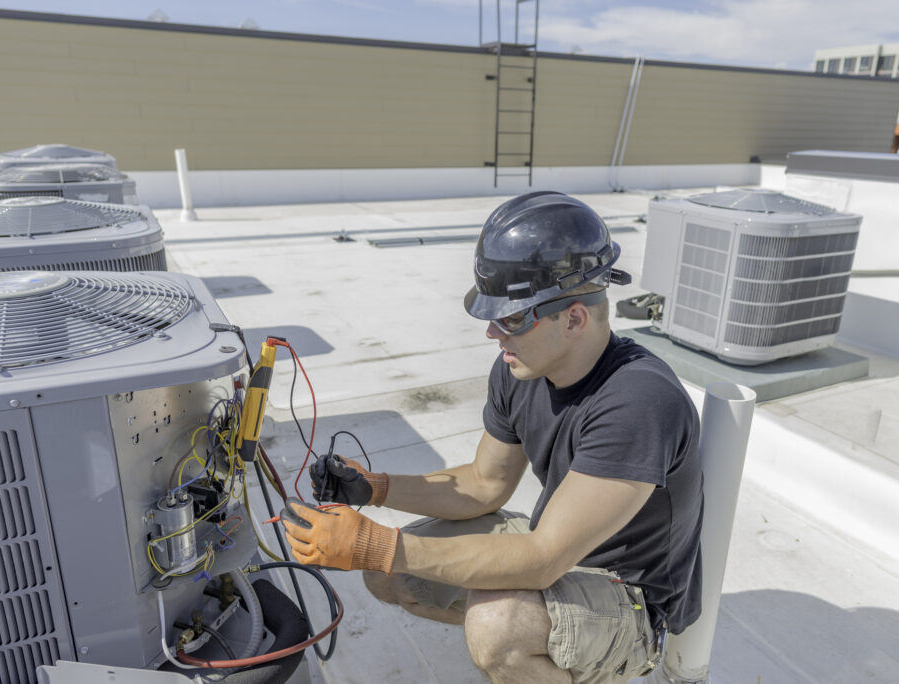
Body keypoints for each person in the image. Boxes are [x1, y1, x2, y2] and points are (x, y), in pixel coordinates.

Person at [284, 191, 704, 683]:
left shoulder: (639, 401)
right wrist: (376, 488)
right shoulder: (520, 367)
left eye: (510, 317)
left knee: (497, 626)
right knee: (388, 577)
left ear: (574, 318)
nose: (491, 333)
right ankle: (536, 655)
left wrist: (380, 544)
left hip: (629, 596)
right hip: (554, 547)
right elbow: (485, 483)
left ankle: (541, 655)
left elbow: (545, 558)